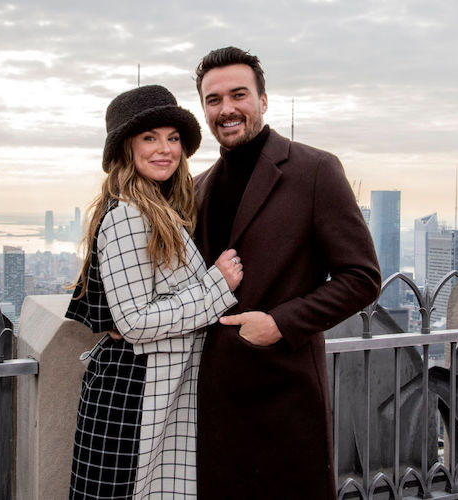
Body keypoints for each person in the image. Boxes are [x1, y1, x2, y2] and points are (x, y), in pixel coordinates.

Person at [192, 47, 382, 499]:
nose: (227, 109)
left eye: (239, 94)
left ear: (263, 100)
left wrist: (280, 323)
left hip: (285, 398)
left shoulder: (315, 170)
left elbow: (362, 277)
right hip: (212, 408)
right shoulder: (198, 186)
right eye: (213, 99)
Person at [65, 84, 242, 499]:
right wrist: (217, 287)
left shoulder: (160, 209)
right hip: (133, 396)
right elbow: (133, 320)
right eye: (150, 138)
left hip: (152, 390)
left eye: (173, 138)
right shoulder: (128, 214)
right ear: (127, 148)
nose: (165, 149)